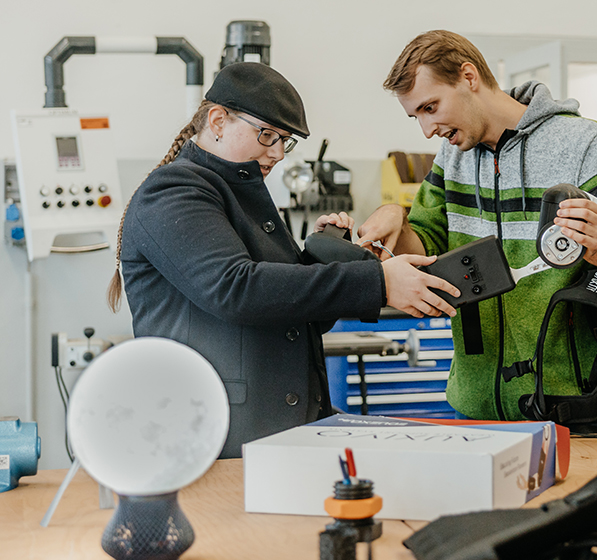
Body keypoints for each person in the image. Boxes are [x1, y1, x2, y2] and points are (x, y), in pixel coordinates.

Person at [107, 62, 460, 459]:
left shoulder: (242, 192)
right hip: (217, 433)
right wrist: (378, 282)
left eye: (284, 141)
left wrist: (330, 255)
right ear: (218, 120)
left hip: (283, 425)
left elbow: (299, 316)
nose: (276, 153)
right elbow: (236, 289)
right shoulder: (174, 191)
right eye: (267, 135)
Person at [358, 30, 597, 428]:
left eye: (431, 107)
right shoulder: (452, 157)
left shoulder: (586, 144)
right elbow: (426, 248)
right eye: (416, 115)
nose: (427, 129)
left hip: (572, 412)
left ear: (468, 77)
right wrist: (395, 217)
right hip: (473, 410)